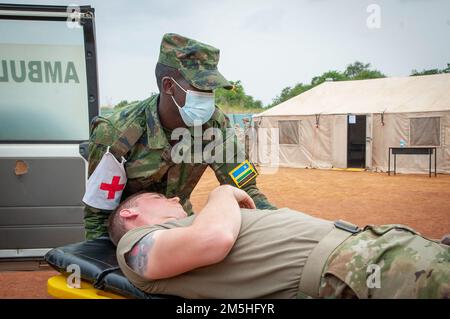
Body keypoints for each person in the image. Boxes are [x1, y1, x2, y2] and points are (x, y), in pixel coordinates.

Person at [84, 33, 276, 239]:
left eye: (212, 90)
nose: (209, 98)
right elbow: (98, 215)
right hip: (133, 236)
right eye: (201, 88)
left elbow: (246, 189)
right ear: (169, 86)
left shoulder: (214, 125)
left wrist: (282, 225)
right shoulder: (117, 132)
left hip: (183, 227)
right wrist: (105, 266)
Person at [110, 186, 450, 299]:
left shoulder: (198, 220)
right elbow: (214, 239)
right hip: (356, 267)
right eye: (158, 195)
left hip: (375, 248)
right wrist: (222, 192)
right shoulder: (134, 246)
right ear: (129, 214)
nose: (173, 197)